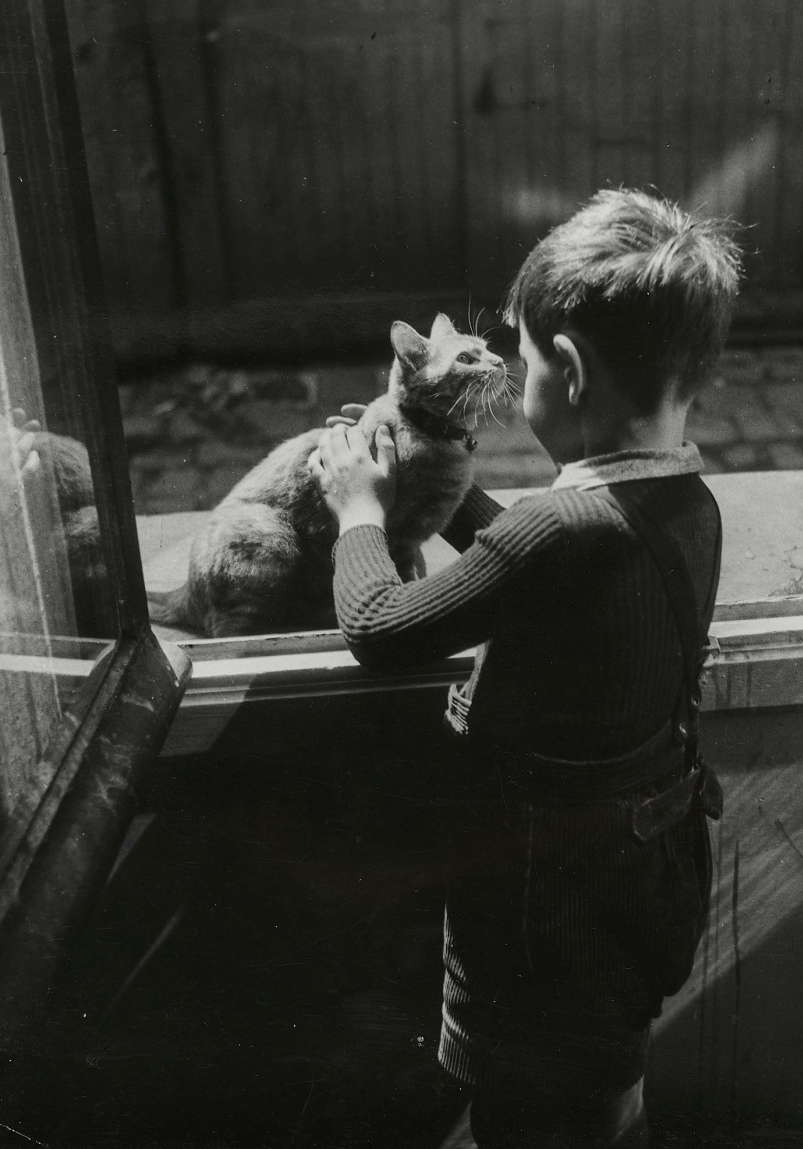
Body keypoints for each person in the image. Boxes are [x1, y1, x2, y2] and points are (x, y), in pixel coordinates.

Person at [308, 188, 741, 1148]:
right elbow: (546, 567)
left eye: (529, 356)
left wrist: (359, 511)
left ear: (571, 371)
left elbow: (378, 623)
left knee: (534, 1112)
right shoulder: (688, 502)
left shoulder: (558, 528)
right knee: (598, 1088)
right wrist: (450, 492)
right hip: (641, 880)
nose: (521, 374)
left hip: (548, 917)